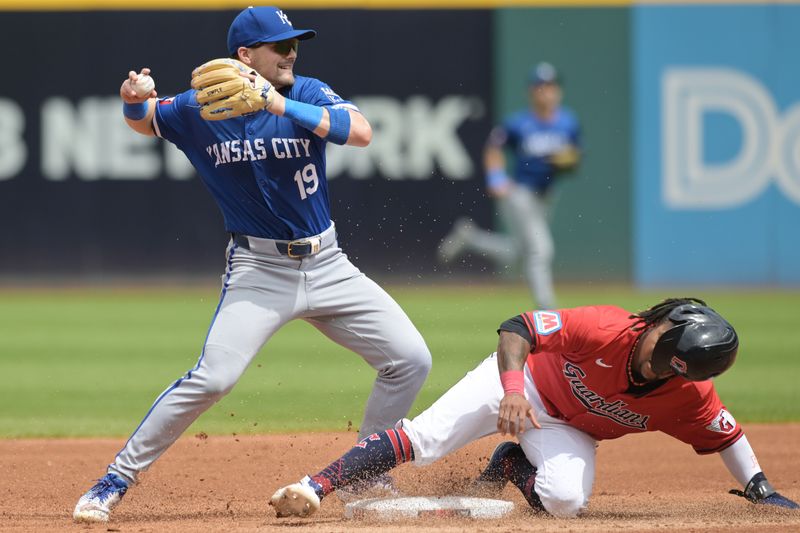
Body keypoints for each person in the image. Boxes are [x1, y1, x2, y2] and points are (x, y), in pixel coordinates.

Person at [73, 6, 432, 523]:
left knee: (410, 360)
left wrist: (280, 105)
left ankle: (364, 474)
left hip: (329, 264)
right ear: (245, 56)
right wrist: (132, 101)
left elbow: (360, 132)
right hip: (259, 272)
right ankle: (113, 481)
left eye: (294, 44)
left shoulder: (304, 93)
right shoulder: (201, 107)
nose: (291, 52)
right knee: (214, 378)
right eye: (279, 45)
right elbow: (147, 120)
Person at [269, 298, 799, 518]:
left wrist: (760, 488)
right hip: (520, 384)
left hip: (564, 427)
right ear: (662, 324)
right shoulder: (607, 327)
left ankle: (508, 464)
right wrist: (513, 390)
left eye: (671, 364)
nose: (658, 363)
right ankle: (313, 486)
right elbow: (516, 328)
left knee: (566, 501)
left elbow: (726, 435)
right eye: (662, 350)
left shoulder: (688, 395)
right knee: (424, 441)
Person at [437, 62, 581, 310]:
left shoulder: (568, 123)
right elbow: (494, 147)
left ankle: (469, 238)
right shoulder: (519, 123)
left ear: (558, 91)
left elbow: (574, 157)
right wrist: (496, 177)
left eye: (550, 86)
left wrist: (569, 160)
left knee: (517, 253)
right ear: (531, 92)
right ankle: (548, 311)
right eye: (540, 86)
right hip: (520, 194)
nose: (545, 91)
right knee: (540, 249)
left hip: (546, 196)